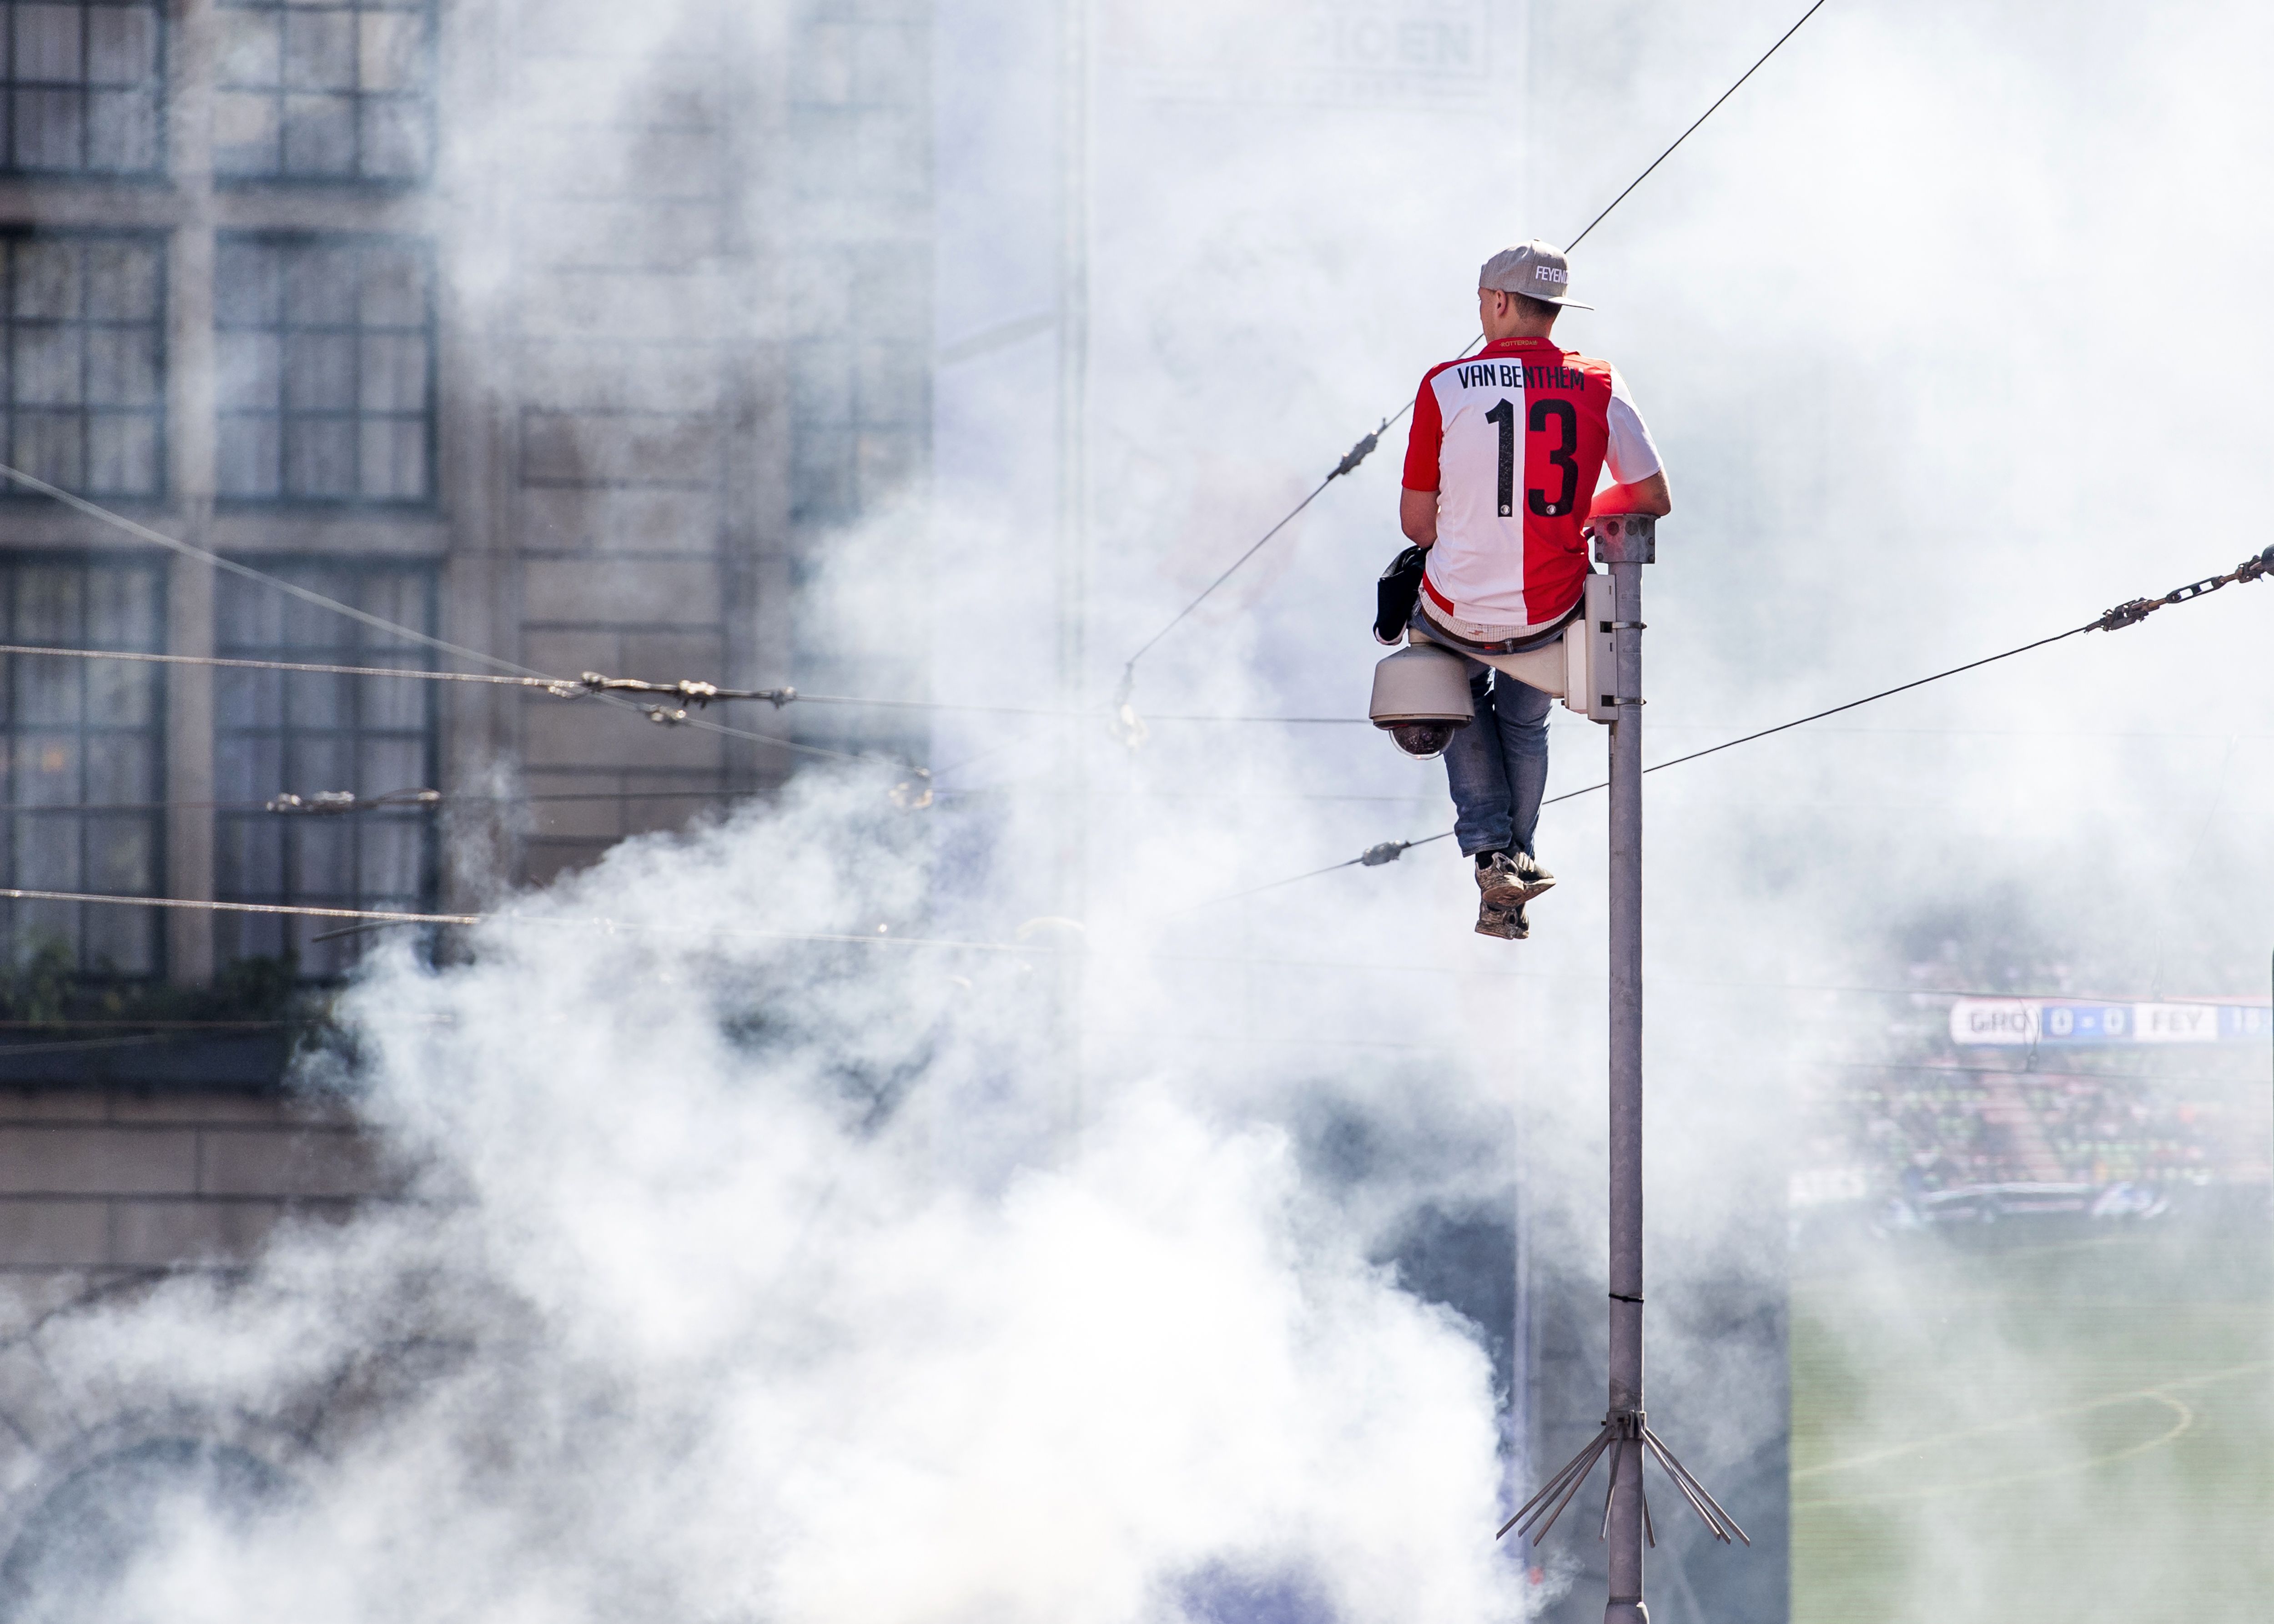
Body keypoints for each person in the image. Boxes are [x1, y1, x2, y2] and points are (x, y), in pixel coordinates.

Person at [1399, 241, 1671, 940]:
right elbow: (1651, 497)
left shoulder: (1442, 386)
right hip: (1548, 612)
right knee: (1523, 722)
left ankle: (1494, 853)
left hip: (1457, 611)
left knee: (1449, 694)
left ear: (1496, 302)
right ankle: (1512, 867)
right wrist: (1577, 515)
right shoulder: (1601, 383)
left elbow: (1416, 523)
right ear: (1554, 310)